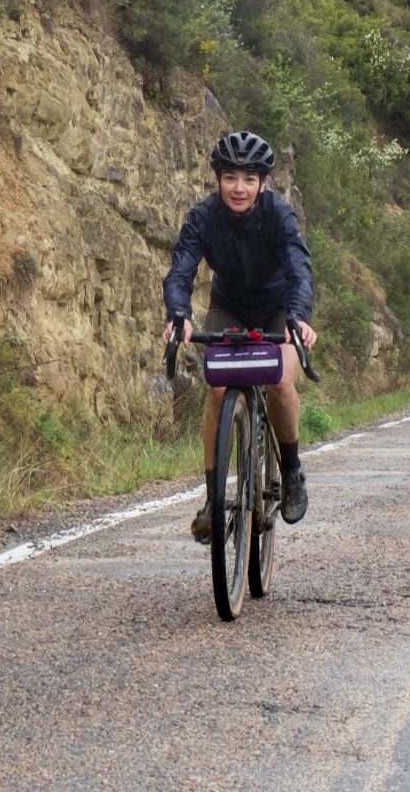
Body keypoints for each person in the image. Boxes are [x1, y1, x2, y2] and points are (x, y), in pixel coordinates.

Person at [163, 130, 318, 545]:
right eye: (230, 177)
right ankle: (213, 500)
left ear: (263, 183)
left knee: (279, 381)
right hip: (229, 307)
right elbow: (181, 271)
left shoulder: (280, 216)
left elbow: (300, 270)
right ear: (218, 179)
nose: (239, 187)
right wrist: (179, 315)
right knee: (218, 391)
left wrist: (299, 318)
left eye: (249, 179)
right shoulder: (203, 217)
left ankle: (291, 472)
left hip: (279, 308)